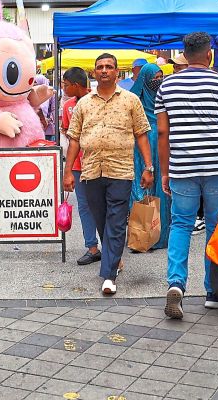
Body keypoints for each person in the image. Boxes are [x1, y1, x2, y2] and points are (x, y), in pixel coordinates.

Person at [155, 32, 218, 317]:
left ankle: (176, 284)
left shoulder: (167, 86)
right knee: (215, 227)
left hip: (182, 169)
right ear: (209, 54)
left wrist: (165, 171)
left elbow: (163, 132)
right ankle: (214, 291)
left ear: (184, 55)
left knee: (181, 225)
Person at [63, 53, 153, 297]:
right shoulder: (84, 104)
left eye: (109, 67)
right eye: (100, 67)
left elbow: (142, 134)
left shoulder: (131, 100)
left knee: (115, 219)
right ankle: (114, 259)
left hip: (121, 169)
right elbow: (74, 140)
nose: (104, 70)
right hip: (91, 170)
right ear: (94, 72)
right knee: (101, 219)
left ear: (116, 72)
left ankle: (108, 275)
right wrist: (68, 172)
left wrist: (148, 166)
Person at [60, 67, 101, 266]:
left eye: (66, 85)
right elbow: (68, 134)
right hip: (77, 164)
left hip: (99, 162)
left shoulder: (97, 100)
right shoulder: (67, 106)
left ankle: (111, 246)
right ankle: (92, 247)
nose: (64, 88)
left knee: (103, 205)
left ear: (76, 85)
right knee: (84, 206)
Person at [129, 62, 171, 250]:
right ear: (145, 80)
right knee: (141, 189)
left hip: (162, 149)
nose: (158, 81)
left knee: (163, 190)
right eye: (154, 78)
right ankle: (141, 237)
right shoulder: (134, 104)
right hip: (142, 148)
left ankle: (160, 236)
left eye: (160, 77)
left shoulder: (165, 100)